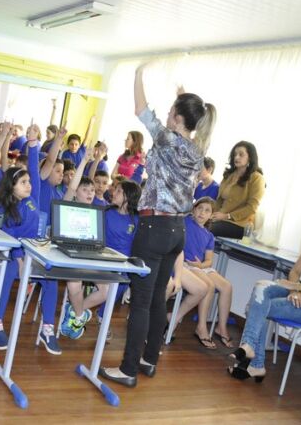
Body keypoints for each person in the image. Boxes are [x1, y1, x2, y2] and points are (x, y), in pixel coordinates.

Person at [100, 66, 216, 387]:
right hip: (177, 230)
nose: (165, 115)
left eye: (171, 111)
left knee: (140, 301)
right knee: (155, 301)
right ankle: (148, 360)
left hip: (154, 228)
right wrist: (182, 98)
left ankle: (127, 369)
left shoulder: (166, 138)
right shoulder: (197, 149)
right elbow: (186, 123)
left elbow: (140, 108)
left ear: (178, 118)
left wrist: (138, 74)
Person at [228, 197, 301, 382]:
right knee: (261, 286)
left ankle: (254, 359)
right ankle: (250, 351)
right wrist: (296, 290)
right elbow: (295, 270)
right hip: (298, 292)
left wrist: (298, 286)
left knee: (256, 308)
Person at [0, 138, 61, 355]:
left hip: (31, 254)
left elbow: (34, 167)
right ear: (11, 187)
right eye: (23, 183)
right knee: (11, 269)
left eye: (29, 182)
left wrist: (32, 144)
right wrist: (21, 259)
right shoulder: (4, 209)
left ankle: (47, 328)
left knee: (51, 275)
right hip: (7, 256)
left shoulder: (33, 200)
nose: (29, 185)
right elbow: (8, 240)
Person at [61, 178, 140, 340]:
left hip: (122, 263)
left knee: (117, 285)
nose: (113, 192)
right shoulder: (105, 212)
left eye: (118, 191)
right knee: (102, 288)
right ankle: (79, 314)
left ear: (128, 197)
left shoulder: (136, 220)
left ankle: (77, 312)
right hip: (100, 259)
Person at [167, 197, 234, 348]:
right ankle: (201, 327)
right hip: (185, 263)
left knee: (227, 286)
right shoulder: (186, 222)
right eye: (200, 208)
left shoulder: (209, 236)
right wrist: (197, 266)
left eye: (207, 211)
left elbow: (209, 260)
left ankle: (221, 327)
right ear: (193, 210)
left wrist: (201, 264)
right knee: (208, 285)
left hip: (200, 265)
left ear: (211, 215)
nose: (202, 213)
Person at [210, 141, 265, 238]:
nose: (236, 157)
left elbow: (251, 208)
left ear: (250, 157)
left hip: (239, 224)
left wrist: (226, 216)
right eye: (235, 154)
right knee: (192, 223)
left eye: (241, 154)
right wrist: (210, 214)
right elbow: (219, 201)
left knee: (206, 229)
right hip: (219, 219)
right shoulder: (229, 175)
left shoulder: (257, 178)